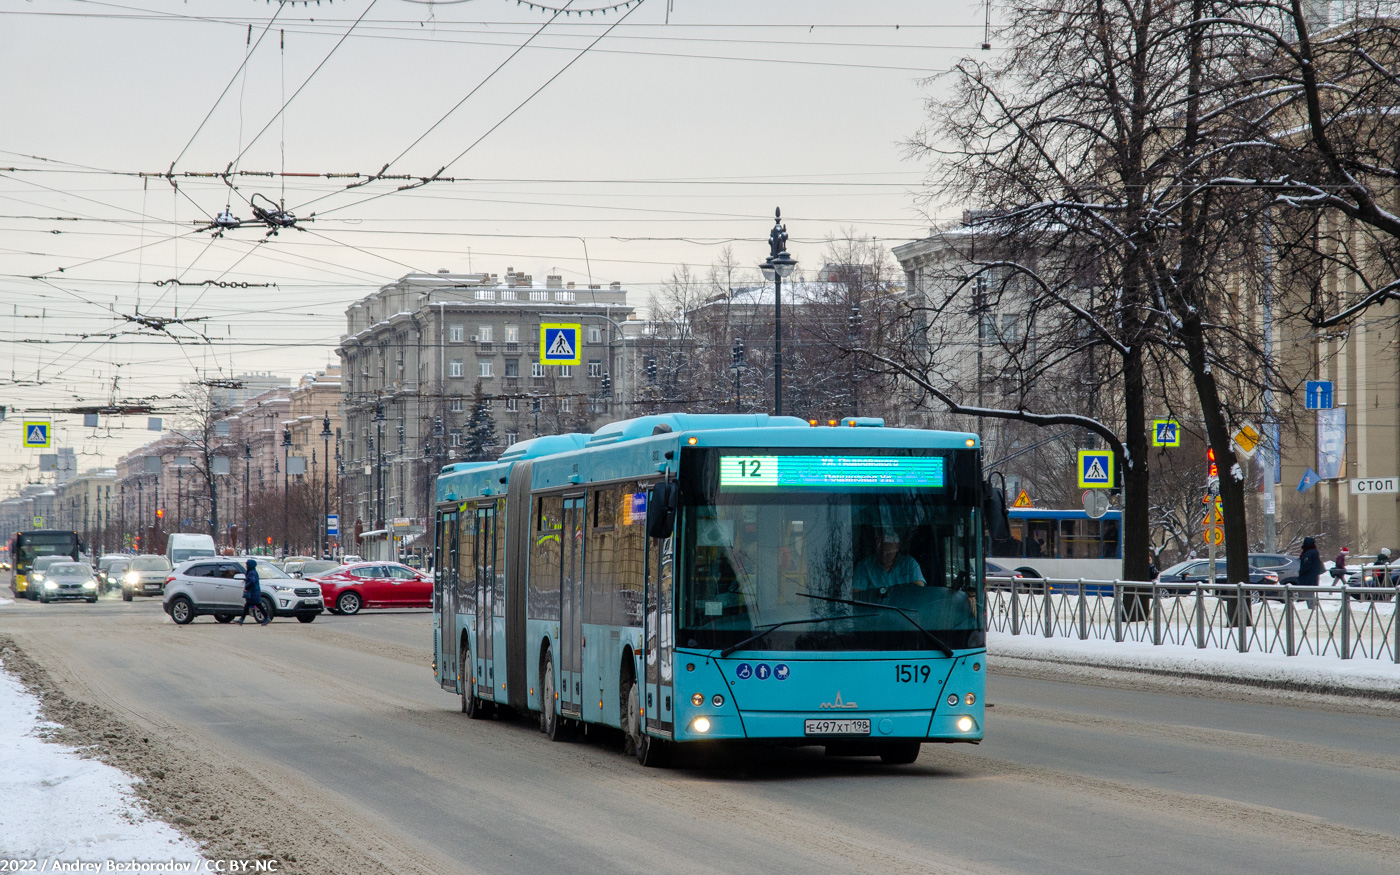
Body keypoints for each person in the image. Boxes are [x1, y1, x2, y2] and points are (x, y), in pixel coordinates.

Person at [854, 532, 926, 598]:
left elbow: (919, 592)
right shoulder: (864, 565)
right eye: (880, 543)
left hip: (904, 610)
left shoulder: (909, 564)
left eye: (888, 544)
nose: (884, 548)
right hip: (872, 610)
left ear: (897, 546)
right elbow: (856, 594)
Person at [236, 558, 268, 625]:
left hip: (253, 592)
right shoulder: (253, 571)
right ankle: (241, 619)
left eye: (247, 564)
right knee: (248, 605)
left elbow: (252, 581)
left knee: (257, 605)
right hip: (254, 592)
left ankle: (267, 618)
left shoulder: (251, 572)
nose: (246, 566)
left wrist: (246, 587)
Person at [1297, 536, 1322, 609]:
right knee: (1310, 595)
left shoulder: (1309, 553)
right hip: (1312, 578)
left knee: (1309, 595)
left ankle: (1312, 610)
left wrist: (1301, 572)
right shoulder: (1314, 551)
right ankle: (1313, 608)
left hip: (1308, 578)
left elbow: (1306, 565)